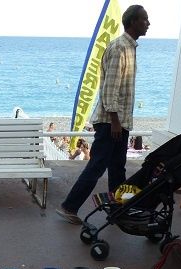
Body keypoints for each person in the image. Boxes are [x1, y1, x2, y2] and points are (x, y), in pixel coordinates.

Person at [55, 5, 150, 224]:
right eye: (144, 19)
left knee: (117, 168)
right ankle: (69, 206)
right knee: (97, 165)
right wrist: (115, 121)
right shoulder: (120, 48)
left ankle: (118, 210)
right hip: (111, 122)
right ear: (133, 22)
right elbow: (109, 89)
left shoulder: (129, 47)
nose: (148, 24)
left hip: (119, 121)